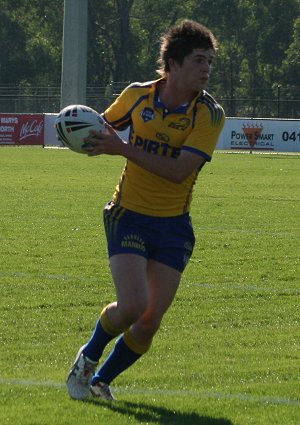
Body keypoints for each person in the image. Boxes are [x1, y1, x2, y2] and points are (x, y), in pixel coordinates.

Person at [66, 19, 225, 401]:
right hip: (128, 214)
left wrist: (121, 148)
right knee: (134, 305)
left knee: (149, 322)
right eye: (199, 60)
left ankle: (100, 382)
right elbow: (101, 129)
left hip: (173, 226)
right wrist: (75, 130)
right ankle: (85, 362)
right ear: (172, 64)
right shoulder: (137, 96)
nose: (206, 69)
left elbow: (177, 172)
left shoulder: (208, 114)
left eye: (209, 62)